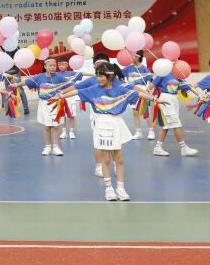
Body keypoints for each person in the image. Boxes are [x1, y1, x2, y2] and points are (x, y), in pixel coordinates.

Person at [52, 60, 159, 202]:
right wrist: (60, 96)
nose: (98, 78)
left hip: (116, 123)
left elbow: (137, 94)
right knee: (106, 159)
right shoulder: (93, 89)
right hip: (102, 124)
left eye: (101, 76)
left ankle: (120, 188)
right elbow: (76, 91)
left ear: (110, 76)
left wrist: (155, 99)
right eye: (97, 75)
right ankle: (109, 188)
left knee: (119, 159)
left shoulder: (120, 89)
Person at [22, 57, 73, 156]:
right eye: (50, 65)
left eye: (54, 65)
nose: (53, 67)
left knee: (56, 126)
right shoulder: (39, 77)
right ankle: (47, 147)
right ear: (45, 66)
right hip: (44, 104)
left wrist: (61, 93)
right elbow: (27, 82)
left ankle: (56, 147)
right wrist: (16, 85)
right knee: (47, 127)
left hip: (56, 104)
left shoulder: (59, 78)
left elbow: (72, 85)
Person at [150, 67, 201, 157]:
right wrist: (149, 96)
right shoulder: (163, 73)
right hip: (165, 99)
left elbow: (189, 87)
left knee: (167, 125)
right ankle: (183, 148)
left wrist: (200, 95)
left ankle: (157, 148)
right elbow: (151, 86)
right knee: (176, 123)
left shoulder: (178, 75)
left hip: (174, 99)